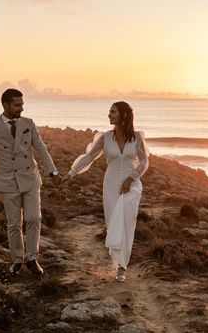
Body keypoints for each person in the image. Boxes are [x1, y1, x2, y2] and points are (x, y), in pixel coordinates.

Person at [62, 101, 149, 282]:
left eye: (113, 112)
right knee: (113, 223)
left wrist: (131, 179)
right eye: (109, 112)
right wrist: (71, 173)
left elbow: (144, 162)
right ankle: (117, 261)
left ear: (123, 115)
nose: (109, 115)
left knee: (126, 223)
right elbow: (89, 156)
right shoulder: (106, 137)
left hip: (132, 186)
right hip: (110, 185)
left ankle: (122, 267)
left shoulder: (137, 137)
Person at [0, 88, 60, 276]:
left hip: (30, 178)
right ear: (6, 105)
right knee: (14, 224)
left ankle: (32, 258)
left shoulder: (28, 123)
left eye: (22, 104)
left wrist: (53, 171)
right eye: (17, 105)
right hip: (7, 181)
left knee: (34, 218)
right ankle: (17, 260)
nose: (21, 108)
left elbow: (41, 148)